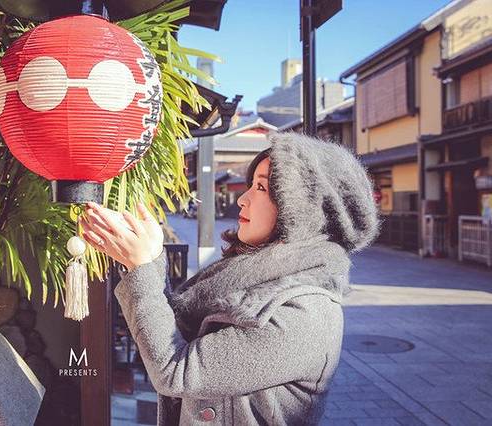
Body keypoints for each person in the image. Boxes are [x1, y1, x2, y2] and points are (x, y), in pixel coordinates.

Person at [79, 131, 380, 425]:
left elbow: (176, 370)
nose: (243, 199)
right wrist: (150, 256)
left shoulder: (305, 315)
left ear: (303, 211)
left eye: (261, 188)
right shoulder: (247, 274)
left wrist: (142, 266)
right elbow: (174, 328)